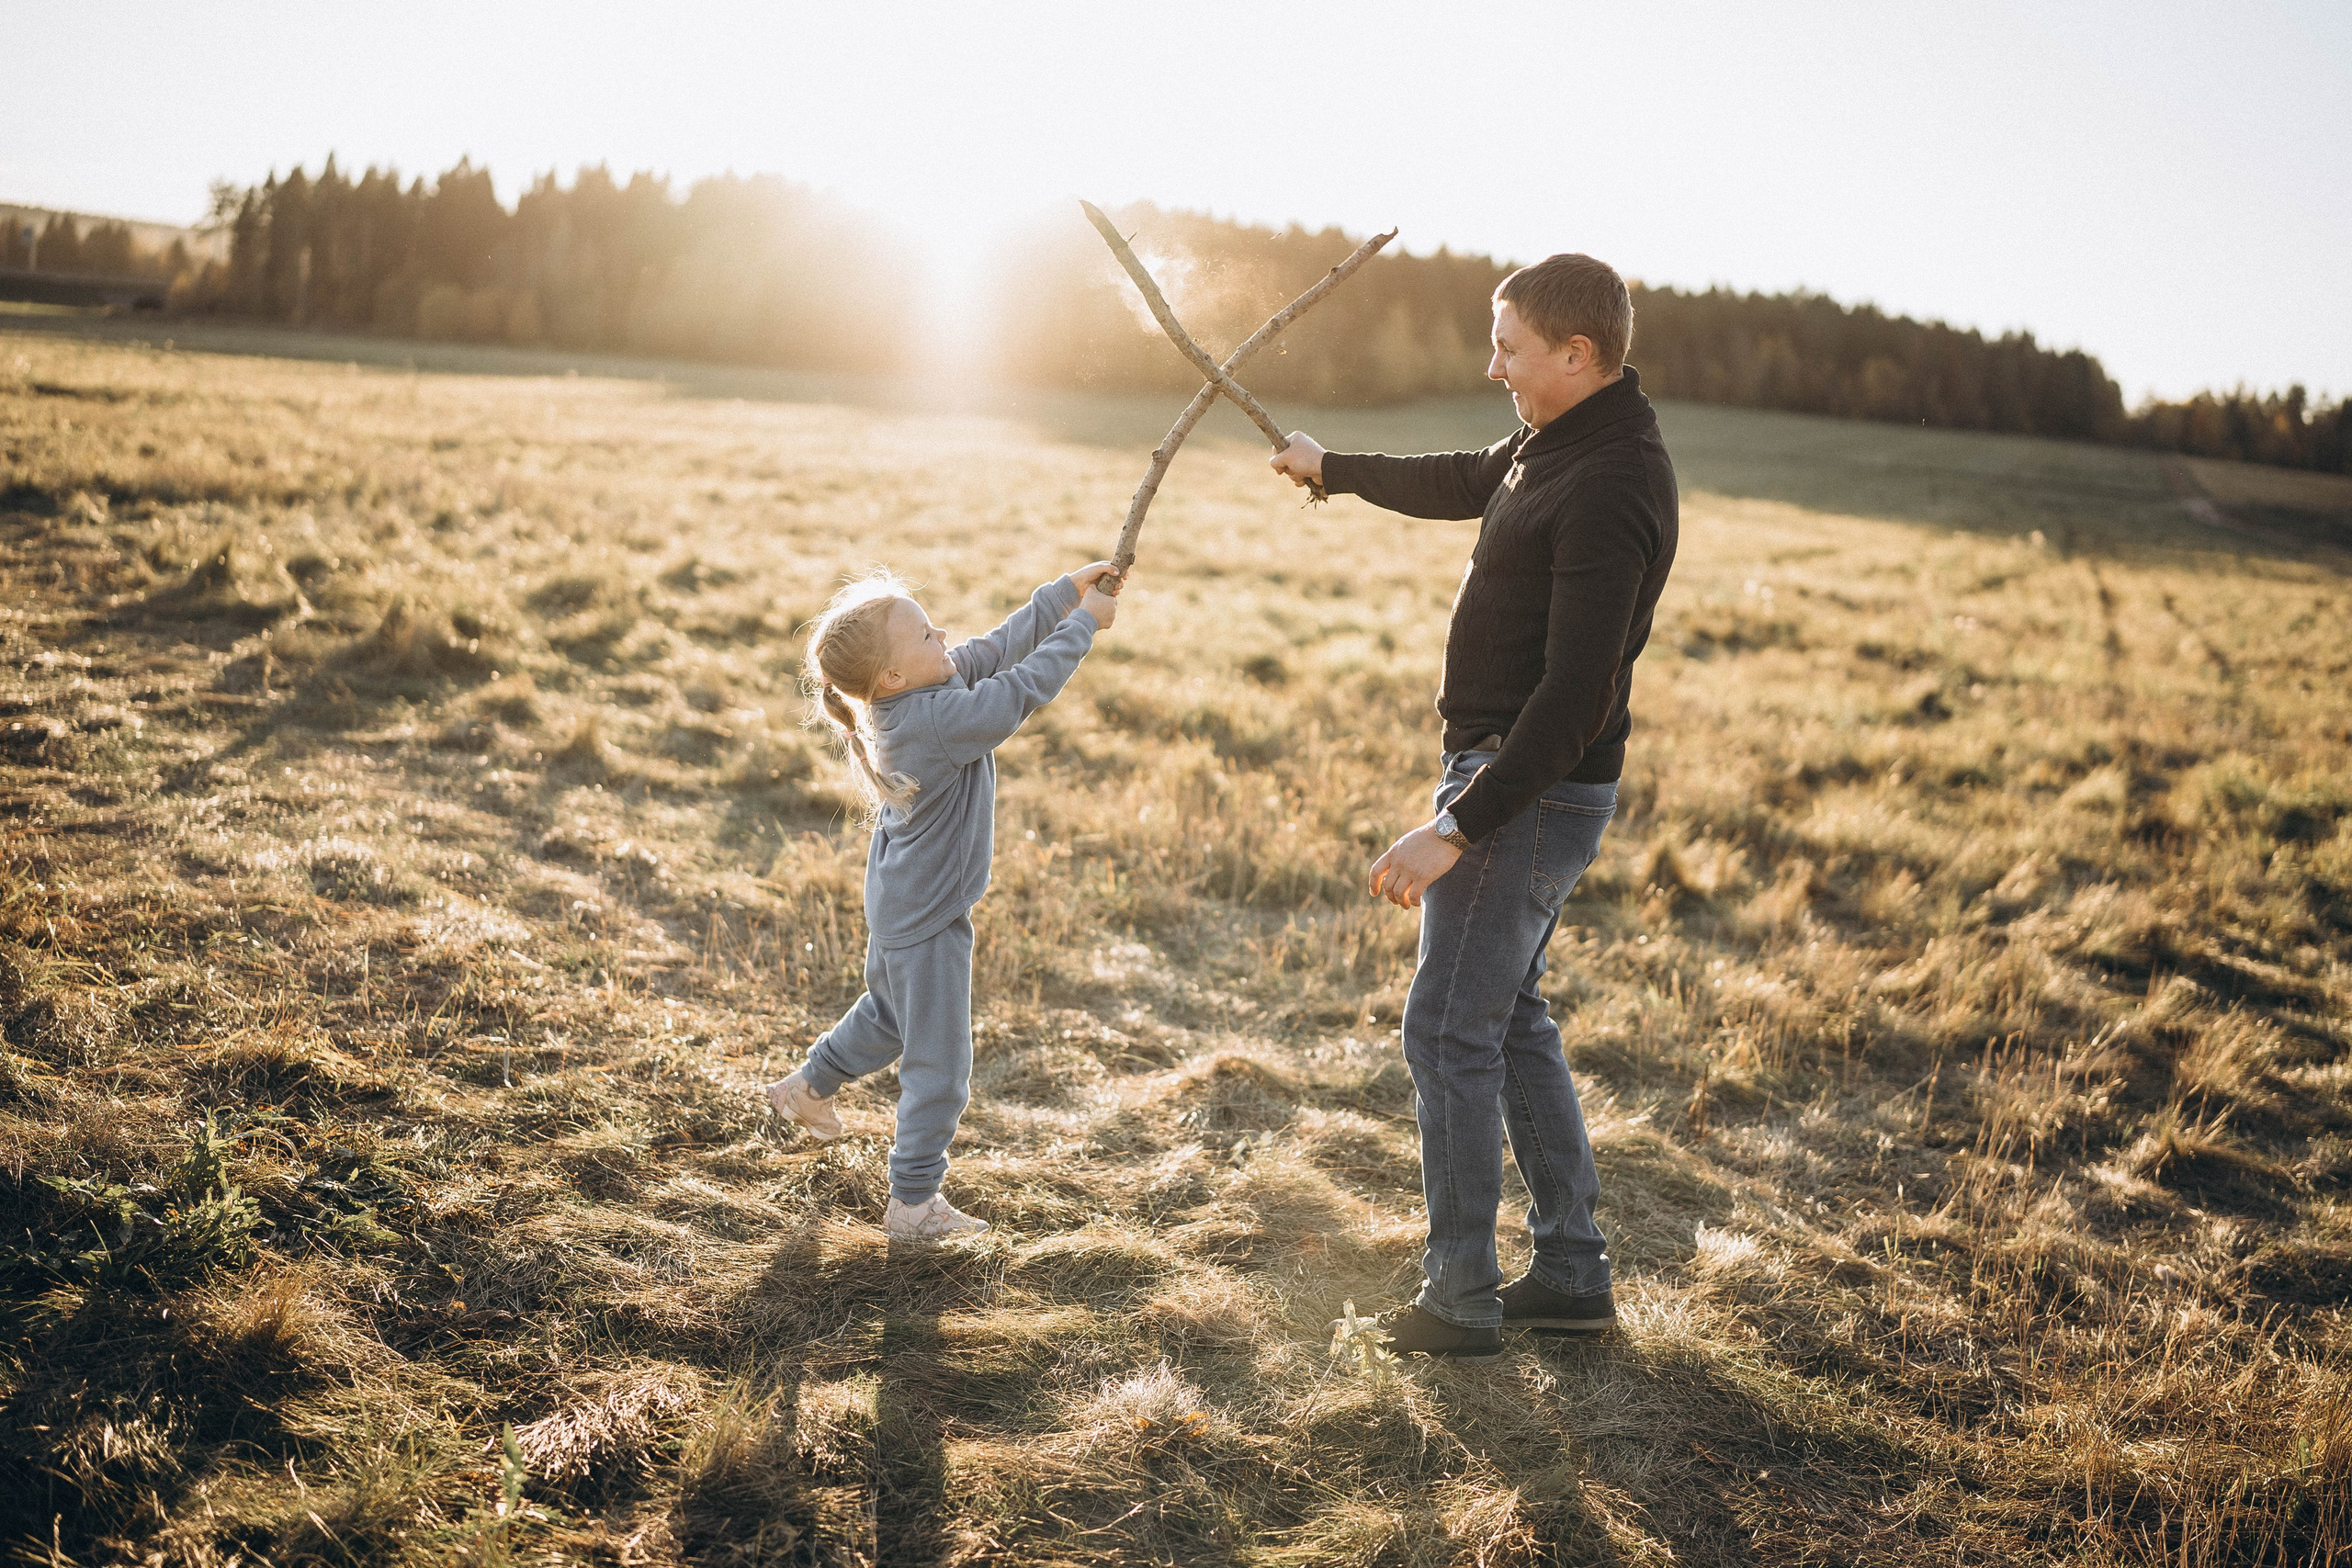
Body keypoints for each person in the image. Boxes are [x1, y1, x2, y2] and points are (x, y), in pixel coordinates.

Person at [1272, 253, 1679, 1357]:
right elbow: (1467, 479)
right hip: (1517, 784)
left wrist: (1457, 827)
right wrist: (1333, 468)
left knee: (1450, 1030)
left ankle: (1458, 1298)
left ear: (1574, 353)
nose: (1490, 364)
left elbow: (1575, 697)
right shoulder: (1560, 440)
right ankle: (1572, 1276)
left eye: (1507, 346)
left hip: (1525, 792)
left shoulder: (1611, 482)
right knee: (1507, 1023)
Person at [764, 561, 1121, 1241]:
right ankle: (914, 1203)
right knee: (941, 1065)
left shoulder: (911, 697)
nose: (945, 637)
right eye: (928, 635)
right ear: (894, 675)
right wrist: (1081, 628)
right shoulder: (934, 722)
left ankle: (808, 1088)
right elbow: (1017, 691)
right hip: (928, 918)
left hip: (900, 901)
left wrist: (1063, 593)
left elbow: (994, 650)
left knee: (891, 1018)